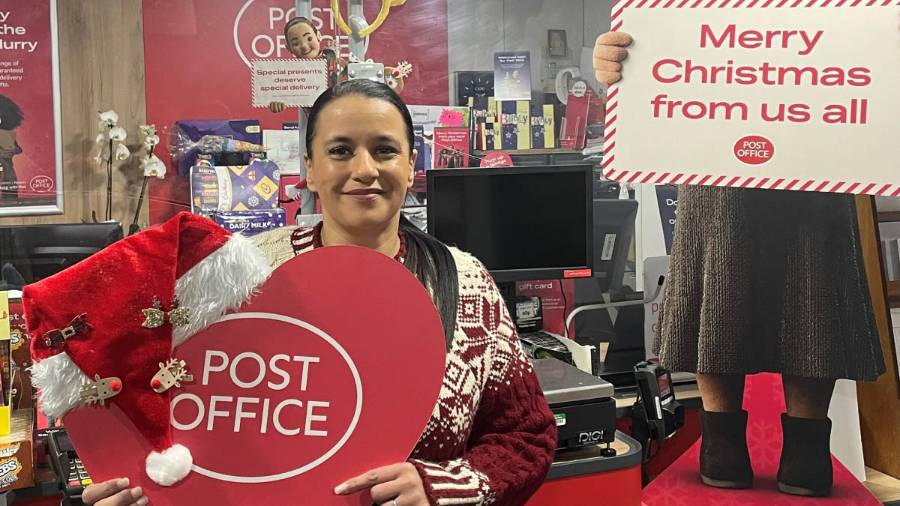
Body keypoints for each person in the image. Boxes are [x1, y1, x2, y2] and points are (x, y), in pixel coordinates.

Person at [82, 79, 557, 506]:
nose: (365, 169)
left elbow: (526, 436)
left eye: (385, 150)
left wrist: (443, 486)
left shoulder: (463, 281)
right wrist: (130, 476)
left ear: (412, 166)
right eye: (341, 150)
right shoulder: (241, 271)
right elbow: (157, 394)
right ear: (309, 169)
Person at [593, 32, 884, 497]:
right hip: (716, 151)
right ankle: (722, 445)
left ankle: (800, 453)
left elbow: (869, 58)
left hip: (821, 142)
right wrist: (628, 68)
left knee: (811, 281)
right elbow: (660, 52)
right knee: (721, 265)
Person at [268, 17, 344, 114]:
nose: (304, 46)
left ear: (318, 36)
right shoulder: (292, 73)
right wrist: (278, 100)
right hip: (318, 122)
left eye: (309, 38)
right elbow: (283, 92)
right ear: (289, 48)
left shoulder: (332, 58)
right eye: (296, 43)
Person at [0, 94, 24, 203]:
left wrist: (12, 150)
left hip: (7, 171)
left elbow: (18, 149)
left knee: (10, 197)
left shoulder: (6, 135)